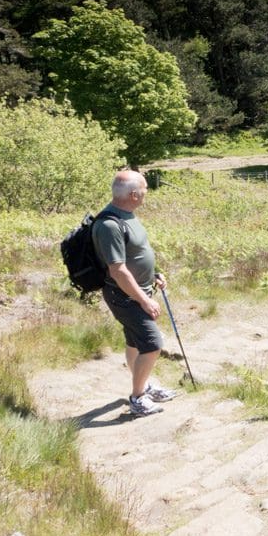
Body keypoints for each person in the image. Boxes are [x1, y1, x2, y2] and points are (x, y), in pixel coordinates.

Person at [92, 169, 177, 417]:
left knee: (134, 341)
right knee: (152, 344)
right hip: (124, 296)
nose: (146, 192)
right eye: (144, 189)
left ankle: (144, 386)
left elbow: (136, 253)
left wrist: (154, 274)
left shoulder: (127, 216)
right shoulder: (109, 225)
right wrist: (145, 300)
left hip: (137, 291)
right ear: (133, 195)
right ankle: (138, 398)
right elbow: (118, 270)